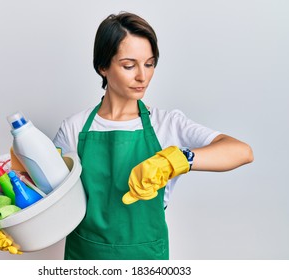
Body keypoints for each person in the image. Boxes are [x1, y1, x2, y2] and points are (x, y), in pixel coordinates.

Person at [53, 12, 254, 260]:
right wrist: (9, 221)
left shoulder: (166, 124)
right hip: (87, 257)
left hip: (147, 258)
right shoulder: (75, 128)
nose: (142, 76)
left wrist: (178, 160)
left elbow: (242, 152)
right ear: (103, 67)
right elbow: (45, 193)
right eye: (129, 65)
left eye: (149, 64)